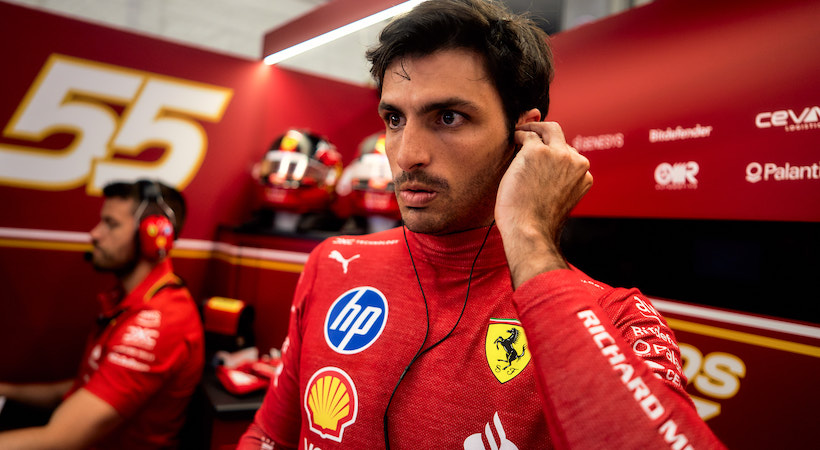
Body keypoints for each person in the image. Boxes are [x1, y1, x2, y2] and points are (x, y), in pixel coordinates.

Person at [240, 0, 725, 448]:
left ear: (525, 134)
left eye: (448, 117)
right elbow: (268, 436)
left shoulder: (618, 319)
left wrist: (529, 236)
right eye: (394, 119)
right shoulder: (333, 264)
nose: (407, 155)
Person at [0, 180, 204, 449]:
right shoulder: (131, 301)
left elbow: (59, 439)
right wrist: (5, 390)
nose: (95, 234)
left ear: (153, 235)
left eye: (111, 224)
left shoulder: (158, 322)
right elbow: (83, 390)